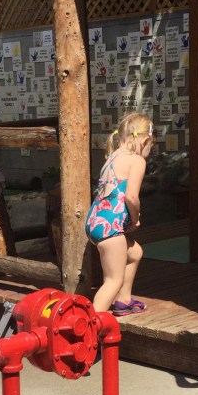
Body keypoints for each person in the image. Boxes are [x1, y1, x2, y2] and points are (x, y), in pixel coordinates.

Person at [85, 111, 153, 314]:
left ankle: (124, 300)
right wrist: (136, 219)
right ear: (145, 140)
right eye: (150, 146)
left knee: (135, 252)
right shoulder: (136, 161)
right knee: (112, 280)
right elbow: (131, 197)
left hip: (95, 221)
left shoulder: (112, 156)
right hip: (110, 228)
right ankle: (91, 325)